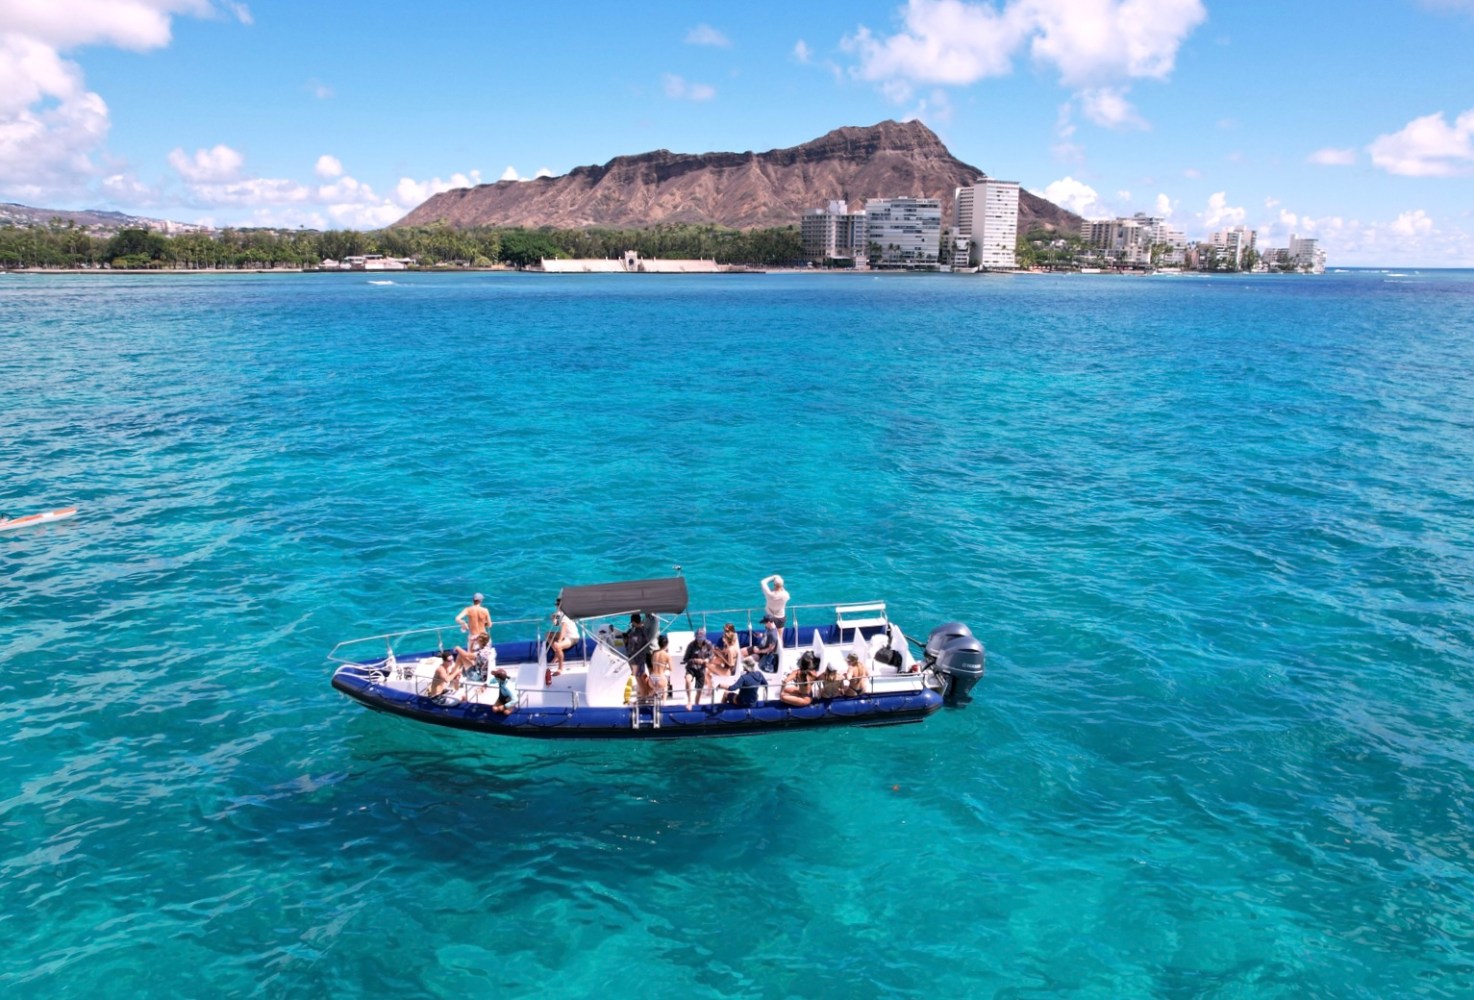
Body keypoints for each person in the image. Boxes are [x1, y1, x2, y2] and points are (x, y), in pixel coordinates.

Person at [622, 612, 652, 698]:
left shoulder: (635, 633)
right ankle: (647, 694)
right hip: (641, 657)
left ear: (634, 622)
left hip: (635, 660)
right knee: (642, 676)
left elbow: (631, 648)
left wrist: (626, 642)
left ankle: (643, 699)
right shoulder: (643, 630)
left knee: (639, 680)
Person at [546, 603, 578, 683]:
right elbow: (556, 624)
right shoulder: (560, 613)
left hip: (572, 637)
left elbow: (563, 629)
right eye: (556, 605)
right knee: (547, 634)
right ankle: (557, 653)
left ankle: (560, 668)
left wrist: (559, 641)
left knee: (558, 646)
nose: (556, 606)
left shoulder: (565, 616)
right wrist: (553, 617)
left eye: (557, 605)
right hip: (566, 635)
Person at [683, 630, 714, 708]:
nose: (699, 640)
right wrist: (695, 660)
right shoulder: (691, 645)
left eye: (701, 638)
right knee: (687, 680)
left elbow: (711, 655)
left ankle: (697, 704)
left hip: (701, 669)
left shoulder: (708, 644)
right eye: (698, 638)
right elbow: (685, 659)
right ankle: (689, 701)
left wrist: (707, 659)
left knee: (699, 689)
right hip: (692, 668)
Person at [649, 634, 672, 701]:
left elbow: (653, 663)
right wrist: (665, 667)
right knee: (665, 688)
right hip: (661, 678)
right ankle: (664, 703)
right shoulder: (667, 655)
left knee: (654, 688)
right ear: (666, 644)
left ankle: (650, 698)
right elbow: (671, 669)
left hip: (652, 678)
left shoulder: (654, 653)